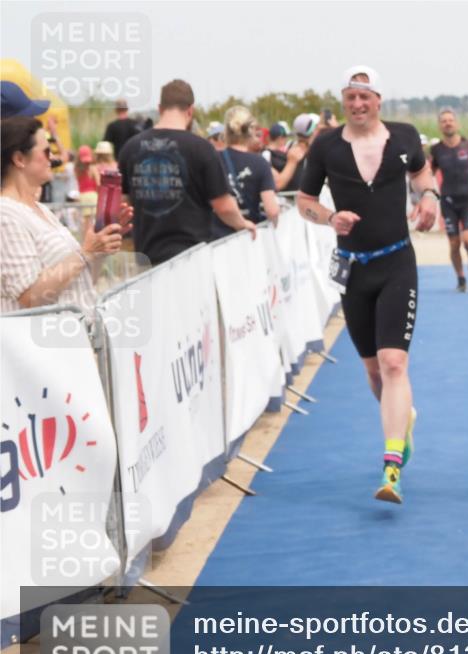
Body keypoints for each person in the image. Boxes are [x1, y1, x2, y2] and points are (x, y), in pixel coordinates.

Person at [296, 65, 438, 504]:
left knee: (395, 363)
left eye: (365, 96)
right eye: (350, 97)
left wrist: (429, 197)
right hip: (354, 269)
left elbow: (421, 173)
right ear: (344, 102)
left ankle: (391, 467)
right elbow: (304, 201)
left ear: (378, 100)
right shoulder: (325, 147)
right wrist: (329, 217)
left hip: (397, 262)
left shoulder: (406, 136)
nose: (358, 104)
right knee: (375, 372)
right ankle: (403, 421)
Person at [117, 79, 255, 265]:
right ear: (190, 110)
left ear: (160, 108)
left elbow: (123, 205)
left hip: (148, 259)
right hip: (191, 260)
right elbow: (224, 206)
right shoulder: (201, 148)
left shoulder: (130, 148)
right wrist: (242, 223)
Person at [1, 116, 128, 314]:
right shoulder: (6, 216)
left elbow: (79, 282)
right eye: (46, 151)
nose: (53, 158)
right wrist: (86, 253)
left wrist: (101, 248)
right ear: (19, 159)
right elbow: (31, 297)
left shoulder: (40, 210)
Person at [431, 108, 468, 292]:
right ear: (440, 125)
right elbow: (429, 172)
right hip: (448, 202)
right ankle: (461, 279)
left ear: (456, 123)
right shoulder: (436, 150)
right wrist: (426, 194)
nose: (447, 123)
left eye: (450, 120)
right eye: (444, 120)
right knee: (454, 243)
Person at [212, 106, 280, 239]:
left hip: (217, 239)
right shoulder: (260, 163)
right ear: (251, 131)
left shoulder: (212, 158)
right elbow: (271, 210)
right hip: (249, 235)